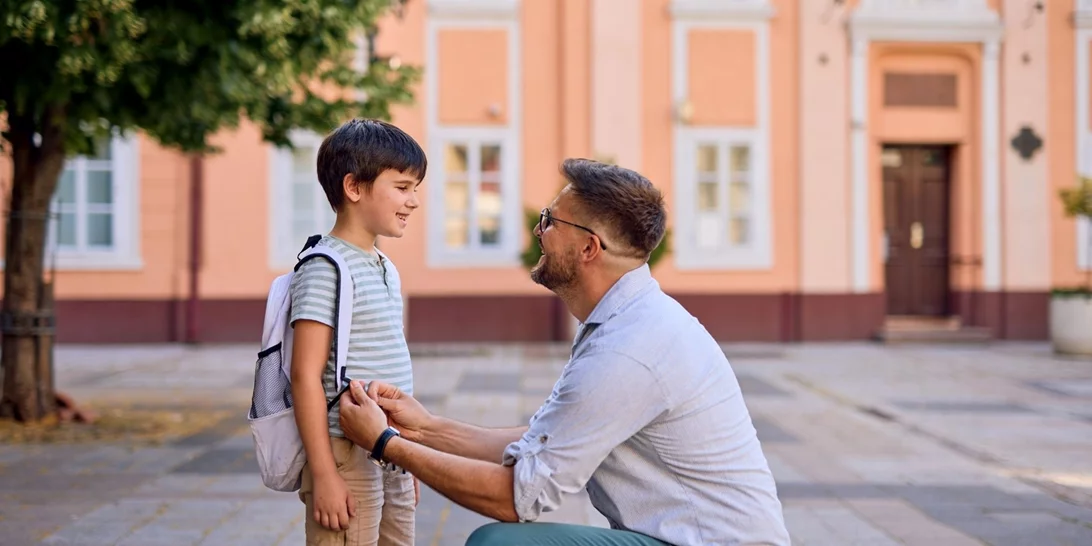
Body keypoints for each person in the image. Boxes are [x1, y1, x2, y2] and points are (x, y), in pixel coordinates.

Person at [338, 158, 791, 545]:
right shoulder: (625, 321)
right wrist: (425, 429)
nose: (539, 231)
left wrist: (385, 444)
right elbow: (541, 442)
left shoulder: (629, 350)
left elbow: (518, 498)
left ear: (589, 248)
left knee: (498, 542)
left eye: (550, 221)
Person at [289, 118, 425, 545]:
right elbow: (305, 376)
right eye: (402, 187)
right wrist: (325, 473)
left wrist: (409, 456)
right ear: (354, 187)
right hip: (344, 451)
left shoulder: (384, 266)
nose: (414, 201)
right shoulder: (325, 267)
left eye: (415, 188)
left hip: (389, 446)